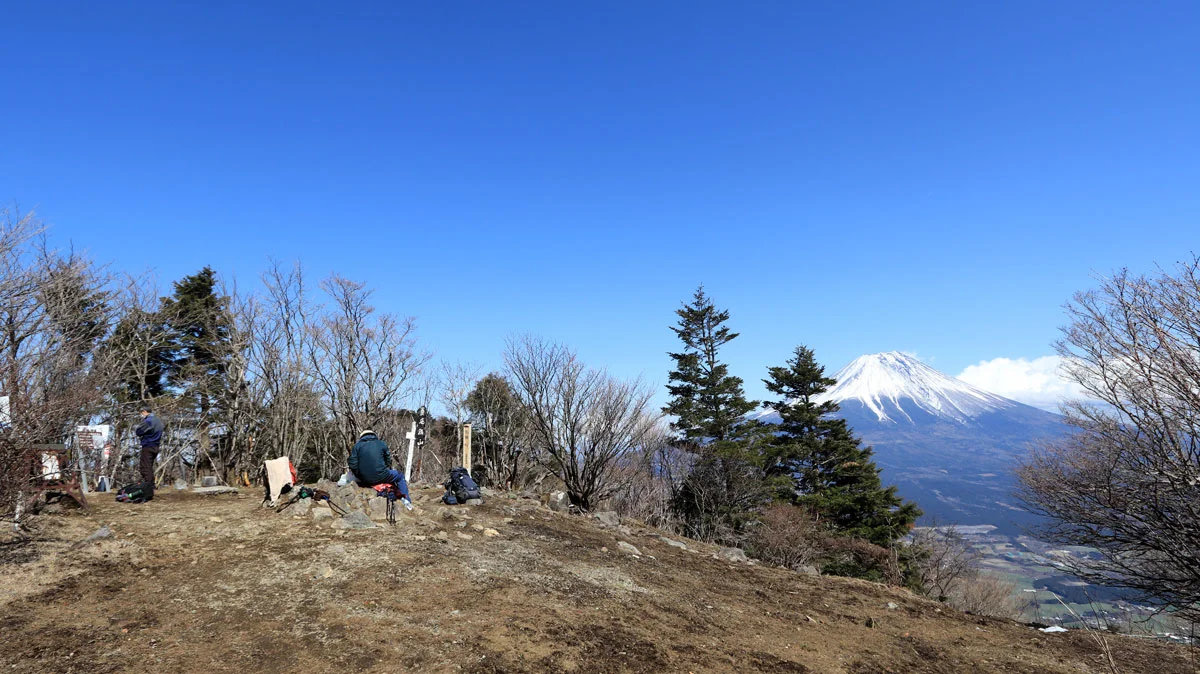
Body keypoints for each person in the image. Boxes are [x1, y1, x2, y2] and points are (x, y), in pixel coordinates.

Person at [348, 429, 412, 509]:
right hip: (382, 476)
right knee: (400, 476)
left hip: (363, 479)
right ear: (374, 435)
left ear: (362, 437)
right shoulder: (381, 444)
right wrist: (383, 469)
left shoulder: (357, 446)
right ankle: (406, 500)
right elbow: (388, 460)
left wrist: (359, 475)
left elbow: (352, 463)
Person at [133, 405, 164, 500]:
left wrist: (138, 428)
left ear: (145, 411)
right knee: (149, 465)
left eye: (141, 412)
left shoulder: (148, 421)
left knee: (145, 466)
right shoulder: (158, 420)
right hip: (156, 445)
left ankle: (149, 486)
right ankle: (150, 484)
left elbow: (139, 431)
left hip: (148, 445)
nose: (141, 415)